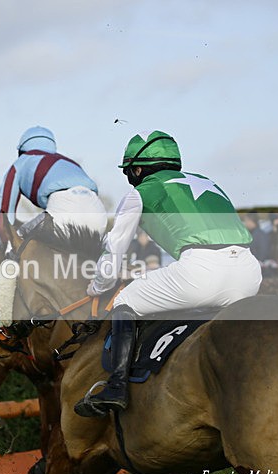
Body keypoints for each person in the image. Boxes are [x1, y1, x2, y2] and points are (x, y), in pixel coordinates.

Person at [75, 130, 261, 417]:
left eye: (130, 172)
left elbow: (114, 249)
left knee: (126, 300)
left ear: (137, 169)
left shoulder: (140, 192)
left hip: (200, 272)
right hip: (249, 272)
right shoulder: (207, 181)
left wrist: (97, 286)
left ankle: (117, 386)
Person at [0, 126, 107, 244]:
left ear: (21, 150)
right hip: (99, 214)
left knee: (18, 240)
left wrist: (4, 243)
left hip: (61, 213)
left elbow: (4, 216)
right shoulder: (69, 162)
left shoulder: (19, 164)